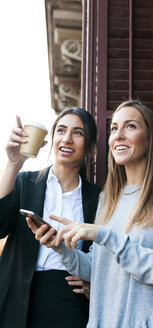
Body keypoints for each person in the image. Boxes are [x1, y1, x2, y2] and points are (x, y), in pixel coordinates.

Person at [27, 100, 153, 328]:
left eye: (131, 126)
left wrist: (104, 235)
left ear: (151, 137)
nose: (118, 135)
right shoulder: (108, 199)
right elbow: (96, 270)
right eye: (114, 128)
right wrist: (59, 245)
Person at [0, 107, 101, 328]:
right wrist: (13, 164)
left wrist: (95, 286)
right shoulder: (24, 183)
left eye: (78, 133)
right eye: (61, 130)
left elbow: (102, 257)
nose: (67, 139)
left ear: (90, 147)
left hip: (72, 302)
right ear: (51, 138)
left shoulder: (98, 199)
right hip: (20, 297)